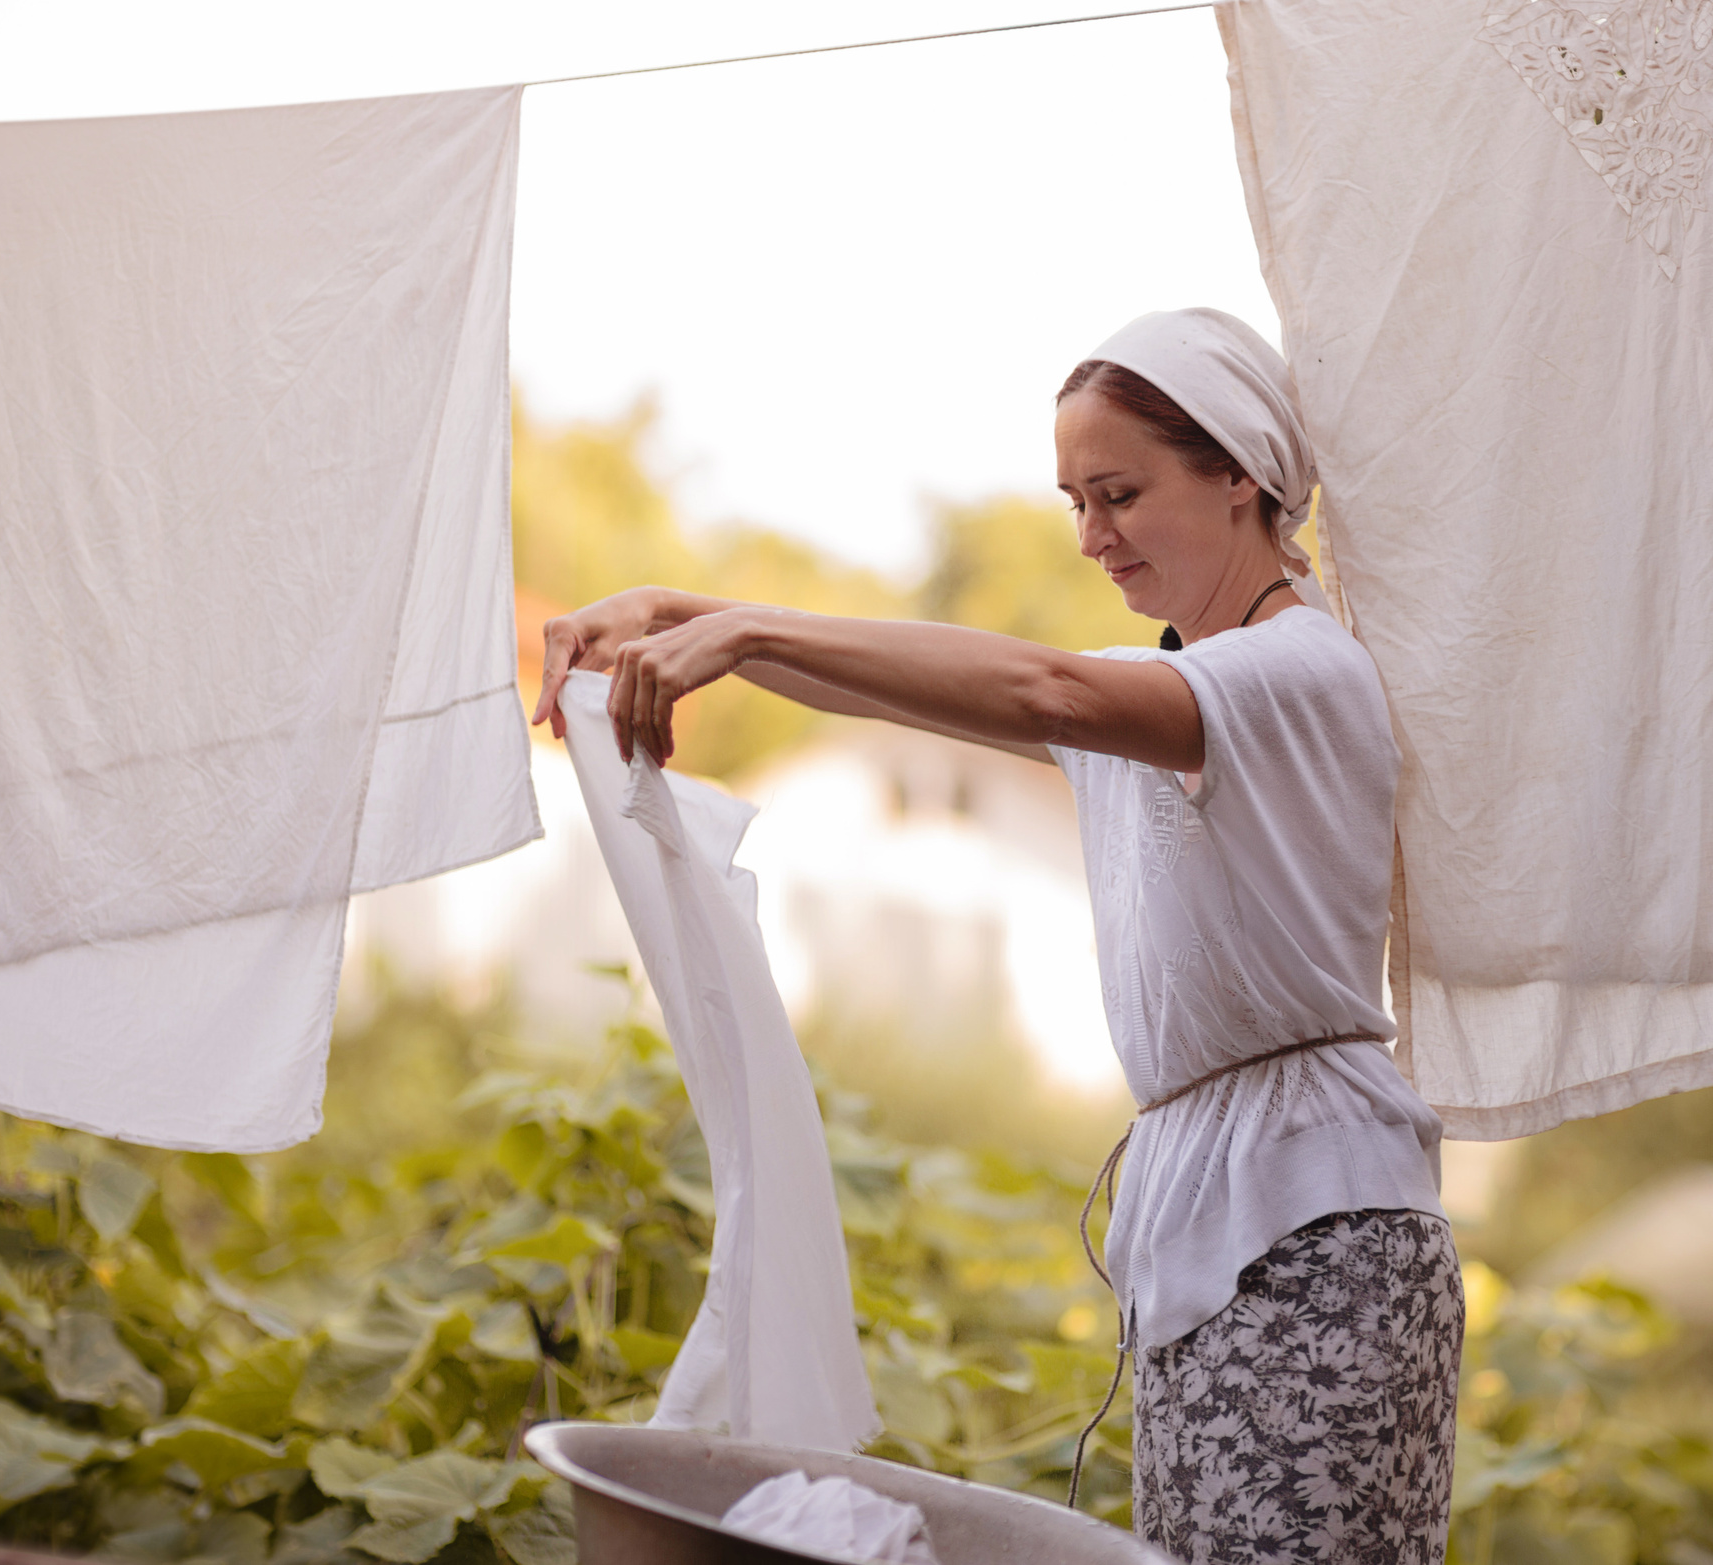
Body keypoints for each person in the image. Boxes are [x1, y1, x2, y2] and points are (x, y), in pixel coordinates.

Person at [534, 308, 1461, 1565]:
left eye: (1120, 492)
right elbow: (911, 679)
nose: (1093, 538)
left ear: (1238, 470)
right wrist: (676, 609)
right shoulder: (1174, 694)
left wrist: (743, 632)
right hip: (1215, 1209)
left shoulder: (1295, 673)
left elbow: (1042, 687)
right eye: (1076, 501)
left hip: (1318, 1227)